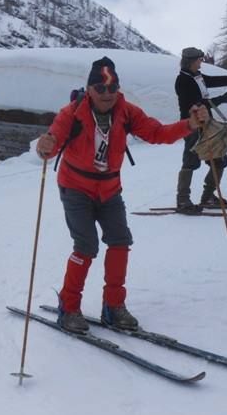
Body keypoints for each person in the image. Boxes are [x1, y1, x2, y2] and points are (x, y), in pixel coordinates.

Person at [36, 57, 210, 334]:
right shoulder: (72, 113)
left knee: (119, 242)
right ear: (89, 89)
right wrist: (45, 146)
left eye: (112, 87)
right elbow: (53, 141)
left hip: (109, 188)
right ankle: (68, 308)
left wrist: (189, 124)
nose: (107, 94)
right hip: (76, 187)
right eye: (100, 88)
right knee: (86, 246)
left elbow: (157, 133)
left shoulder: (126, 112)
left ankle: (114, 306)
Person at [174, 47, 227, 211]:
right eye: (199, 60)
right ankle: (182, 199)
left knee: (219, 158)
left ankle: (207, 196)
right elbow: (195, 105)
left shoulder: (197, 76)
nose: (201, 62)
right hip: (192, 124)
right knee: (191, 161)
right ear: (191, 61)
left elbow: (214, 81)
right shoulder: (183, 81)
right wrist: (222, 99)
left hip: (207, 122)